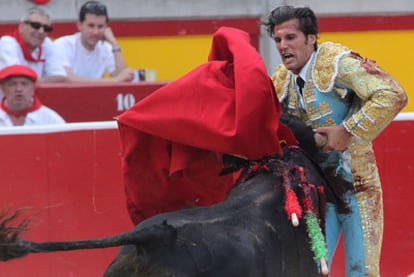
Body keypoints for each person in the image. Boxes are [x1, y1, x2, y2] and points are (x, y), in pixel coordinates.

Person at [264, 5, 407, 277]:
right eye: (278, 40)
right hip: (317, 193)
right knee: (311, 272)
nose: (283, 46)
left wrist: (347, 130)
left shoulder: (336, 62)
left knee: (360, 272)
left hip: (358, 187)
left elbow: (392, 94)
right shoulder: (281, 80)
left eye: (290, 38)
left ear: (311, 38)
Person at [53, 1, 134, 83]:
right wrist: (115, 80)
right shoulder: (63, 44)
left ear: (106, 27)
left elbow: (124, 77)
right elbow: (67, 79)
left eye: (100, 26)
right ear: (79, 25)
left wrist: (114, 43)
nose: (96, 32)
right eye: (91, 26)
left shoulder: (106, 48)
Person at [0, 6, 67, 83]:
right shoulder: (7, 43)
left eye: (46, 28)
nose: (41, 31)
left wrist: (31, 82)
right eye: (36, 26)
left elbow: (60, 77)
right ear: (22, 26)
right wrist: (43, 81)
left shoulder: (47, 43)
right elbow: (17, 79)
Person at [0, 64, 65, 126]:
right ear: (3, 88)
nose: (18, 89)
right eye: (12, 84)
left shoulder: (50, 119)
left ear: (33, 88)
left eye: (24, 84)